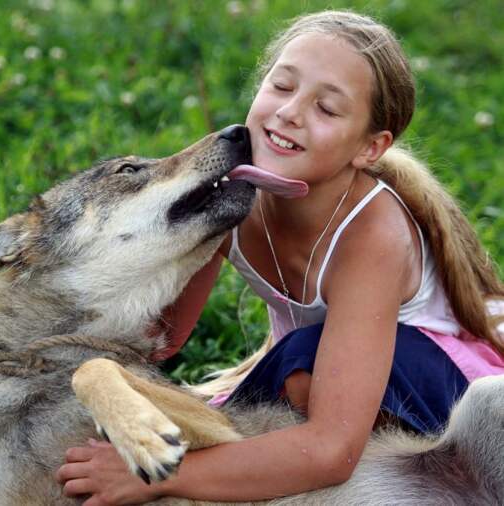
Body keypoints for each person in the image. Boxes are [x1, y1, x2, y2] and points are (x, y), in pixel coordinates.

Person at [55, 10, 504, 505]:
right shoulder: (233, 193)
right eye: (282, 85)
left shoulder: (372, 236)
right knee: (285, 379)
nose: (290, 112)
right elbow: (160, 340)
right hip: (316, 374)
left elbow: (332, 448)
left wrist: (161, 474)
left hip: (438, 388)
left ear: (370, 147)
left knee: (299, 372)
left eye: (327, 109)